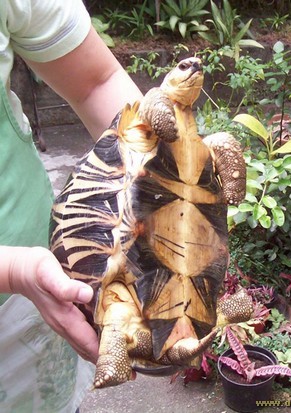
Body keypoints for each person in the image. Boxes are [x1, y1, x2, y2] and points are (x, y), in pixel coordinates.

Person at [0, 0, 143, 411]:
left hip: (45, 286)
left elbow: (95, 82)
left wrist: (161, 163)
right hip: (28, 275)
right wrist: (12, 269)